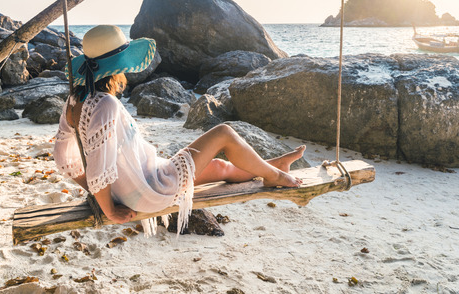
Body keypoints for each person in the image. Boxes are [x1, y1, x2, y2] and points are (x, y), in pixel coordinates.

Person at [53, 25, 304, 234]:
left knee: (217, 167)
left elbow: (63, 158)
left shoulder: (74, 100)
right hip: (147, 189)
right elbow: (99, 166)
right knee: (224, 133)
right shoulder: (106, 104)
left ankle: (271, 166)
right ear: (116, 68)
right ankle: (275, 176)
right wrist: (109, 208)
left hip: (135, 183)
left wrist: (103, 191)